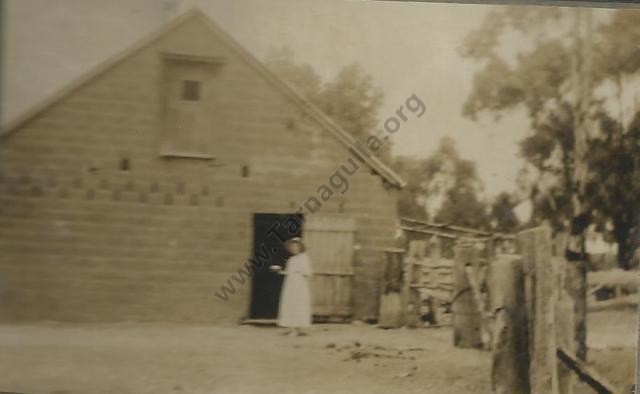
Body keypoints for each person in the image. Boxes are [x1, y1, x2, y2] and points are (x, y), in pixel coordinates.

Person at [270, 237, 312, 336]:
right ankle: (291, 327)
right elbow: (289, 272)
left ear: (300, 247)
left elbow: (308, 273)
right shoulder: (291, 259)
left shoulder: (304, 258)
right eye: (292, 247)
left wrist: (298, 273)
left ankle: (298, 329)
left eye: (296, 247)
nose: (294, 249)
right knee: (289, 304)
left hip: (299, 285)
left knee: (298, 304)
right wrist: (280, 271)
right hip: (290, 284)